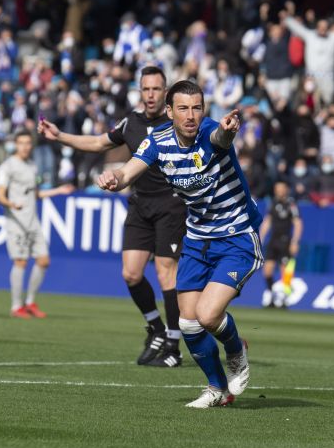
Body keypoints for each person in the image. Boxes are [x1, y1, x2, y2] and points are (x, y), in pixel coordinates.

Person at [96, 80, 262, 408]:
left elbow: (221, 138)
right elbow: (129, 171)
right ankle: (217, 389)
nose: (191, 115)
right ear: (169, 112)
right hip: (198, 239)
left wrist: (229, 130)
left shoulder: (211, 132)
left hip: (236, 236)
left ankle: (236, 351)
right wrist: (116, 178)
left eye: (197, 107)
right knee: (187, 322)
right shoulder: (157, 140)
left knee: (208, 315)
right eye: (183, 108)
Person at [38, 66, 185, 368]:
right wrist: (60, 136)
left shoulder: (176, 123)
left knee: (165, 273)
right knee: (131, 274)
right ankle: (155, 328)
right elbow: (98, 143)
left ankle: (173, 345)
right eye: (146, 89)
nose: (150, 95)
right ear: (140, 90)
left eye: (156, 89)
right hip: (140, 204)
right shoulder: (131, 121)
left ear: (166, 93)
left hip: (171, 205)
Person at [0, 131, 73, 318]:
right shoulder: (7, 167)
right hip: (16, 222)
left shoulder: (32, 165)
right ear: (15, 144)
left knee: (43, 260)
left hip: (33, 221)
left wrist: (58, 191)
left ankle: (30, 302)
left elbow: (35, 194)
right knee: (20, 262)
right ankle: (16, 306)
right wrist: (11, 204)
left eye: (28, 143)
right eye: (21, 142)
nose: (25, 146)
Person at [258, 180, 303, 308]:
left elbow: (298, 223)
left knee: (285, 271)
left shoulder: (291, 204)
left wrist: (295, 241)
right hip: (273, 240)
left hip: (285, 241)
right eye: (276, 188)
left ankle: (284, 298)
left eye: (281, 188)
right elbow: (268, 221)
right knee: (267, 270)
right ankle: (272, 295)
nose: (278, 190)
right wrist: (261, 237)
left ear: (286, 189)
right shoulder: (273, 203)